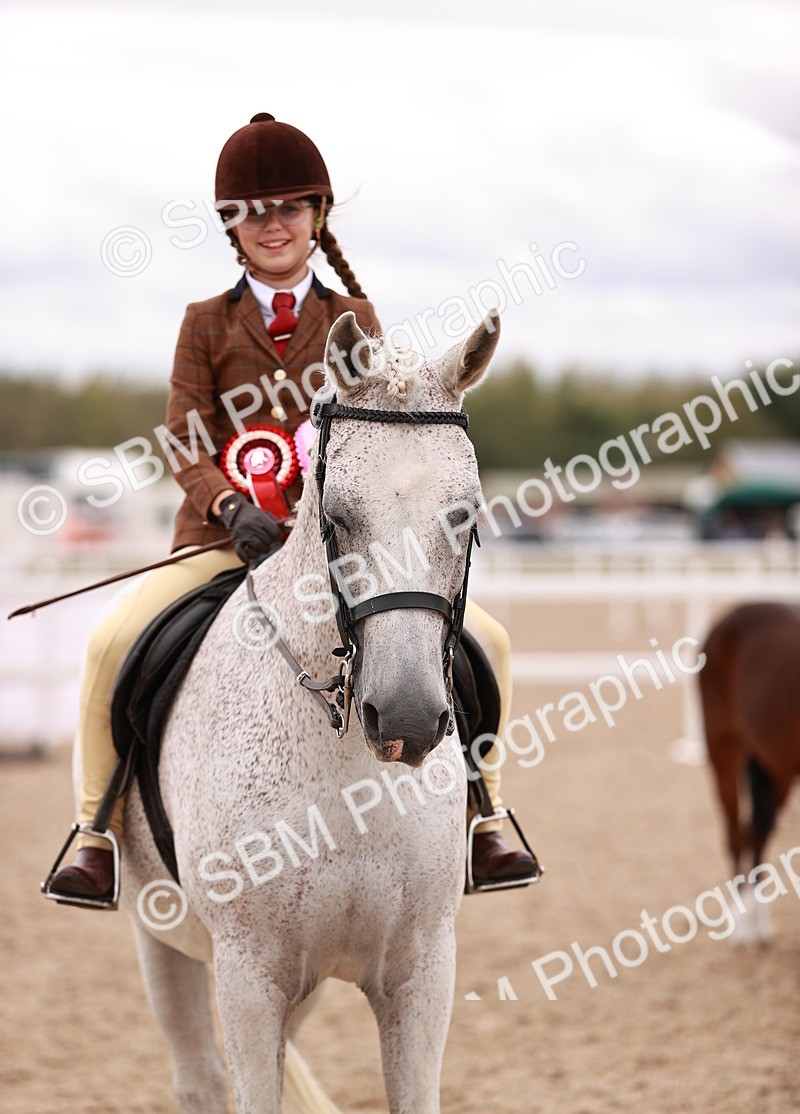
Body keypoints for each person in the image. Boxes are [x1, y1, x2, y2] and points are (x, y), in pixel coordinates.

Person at [49, 113, 537, 903]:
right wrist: (227, 501)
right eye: (252, 212)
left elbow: (386, 442)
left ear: (317, 217)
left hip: (336, 548)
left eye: (287, 209)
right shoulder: (203, 321)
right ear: (230, 228)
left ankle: (486, 815)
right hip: (221, 540)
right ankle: (94, 832)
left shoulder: (357, 318)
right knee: (111, 642)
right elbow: (182, 434)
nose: (270, 225)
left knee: (491, 642)